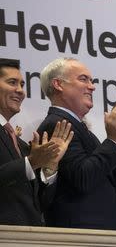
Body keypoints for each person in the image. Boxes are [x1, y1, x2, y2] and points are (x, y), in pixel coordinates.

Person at [37, 58, 116, 230]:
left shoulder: (77, 126)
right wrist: (113, 142)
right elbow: (83, 177)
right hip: (81, 233)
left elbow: (101, 176)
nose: (92, 86)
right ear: (58, 84)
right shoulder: (57, 125)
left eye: (91, 80)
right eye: (83, 79)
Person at [0, 58, 73, 226]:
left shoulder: (21, 145)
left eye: (22, 84)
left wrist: (50, 167)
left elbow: (41, 203)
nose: (20, 91)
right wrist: (31, 162)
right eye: (12, 83)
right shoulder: (27, 154)